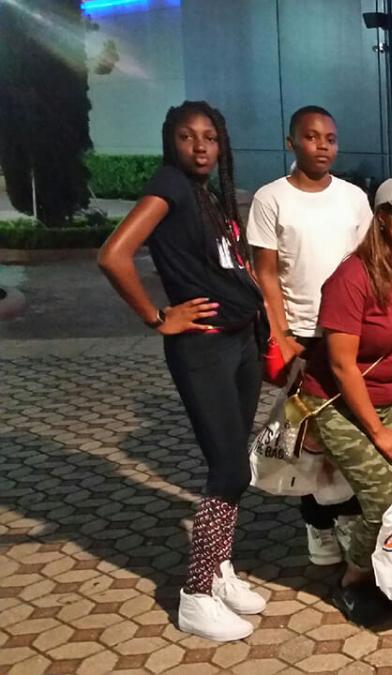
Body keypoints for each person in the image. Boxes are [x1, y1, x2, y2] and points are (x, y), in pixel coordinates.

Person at [98, 101, 267, 642]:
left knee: (233, 464)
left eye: (210, 138)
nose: (200, 147)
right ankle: (195, 595)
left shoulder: (205, 192)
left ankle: (219, 570)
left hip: (239, 343)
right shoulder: (170, 185)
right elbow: (114, 254)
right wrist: (157, 317)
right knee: (229, 470)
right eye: (187, 137)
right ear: (170, 142)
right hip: (204, 349)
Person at [298, 175, 392, 625]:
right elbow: (341, 365)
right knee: (383, 501)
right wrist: (377, 432)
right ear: (381, 219)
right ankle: (354, 579)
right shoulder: (351, 278)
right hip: (340, 403)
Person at [247, 105, 372, 568]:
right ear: (291, 142)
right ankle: (318, 524)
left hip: (348, 333)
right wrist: (281, 335)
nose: (322, 146)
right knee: (308, 437)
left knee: (350, 432)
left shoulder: (354, 198)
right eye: (312, 137)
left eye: (330, 139)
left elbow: (367, 264)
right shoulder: (271, 198)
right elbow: (266, 273)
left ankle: (347, 517)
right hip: (301, 334)